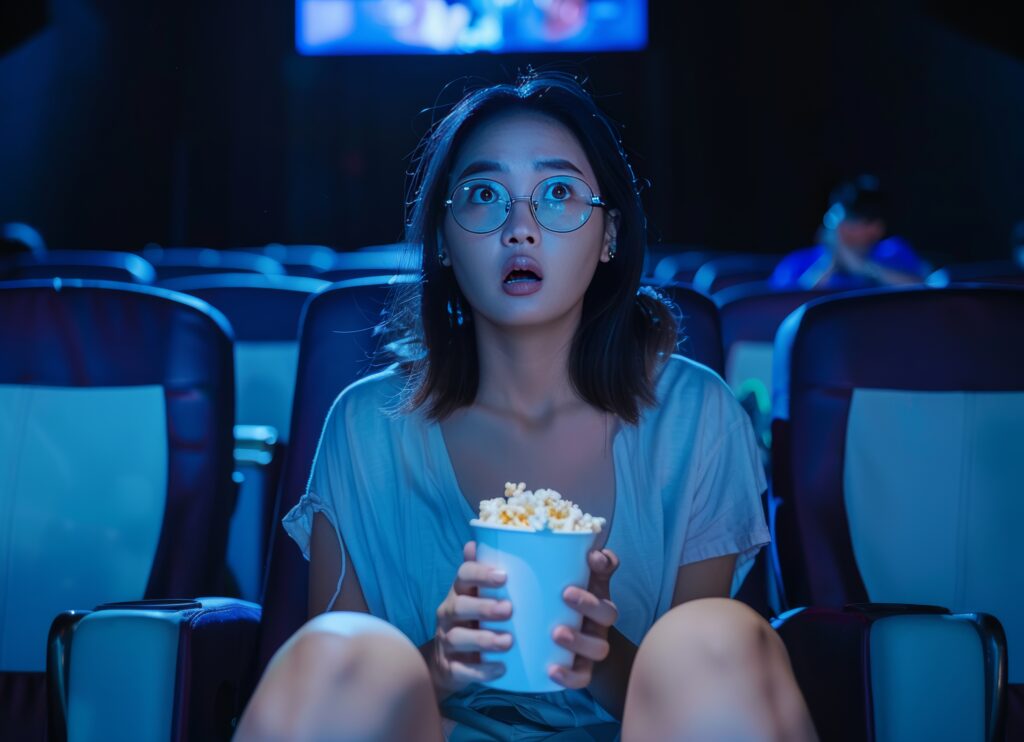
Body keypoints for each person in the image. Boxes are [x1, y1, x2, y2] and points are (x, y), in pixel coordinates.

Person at [236, 72, 817, 741]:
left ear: (608, 237)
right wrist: (442, 662)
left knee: (713, 635)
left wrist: (594, 651)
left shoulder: (696, 416)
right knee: (339, 649)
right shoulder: (365, 427)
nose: (520, 228)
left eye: (559, 194)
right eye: (484, 196)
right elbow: (343, 700)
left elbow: (704, 693)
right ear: (445, 242)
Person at [770, 175, 928, 290]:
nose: (872, 229)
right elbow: (782, 311)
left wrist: (866, 268)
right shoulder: (796, 262)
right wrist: (830, 263)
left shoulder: (894, 251)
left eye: (871, 221)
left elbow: (924, 293)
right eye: (858, 221)